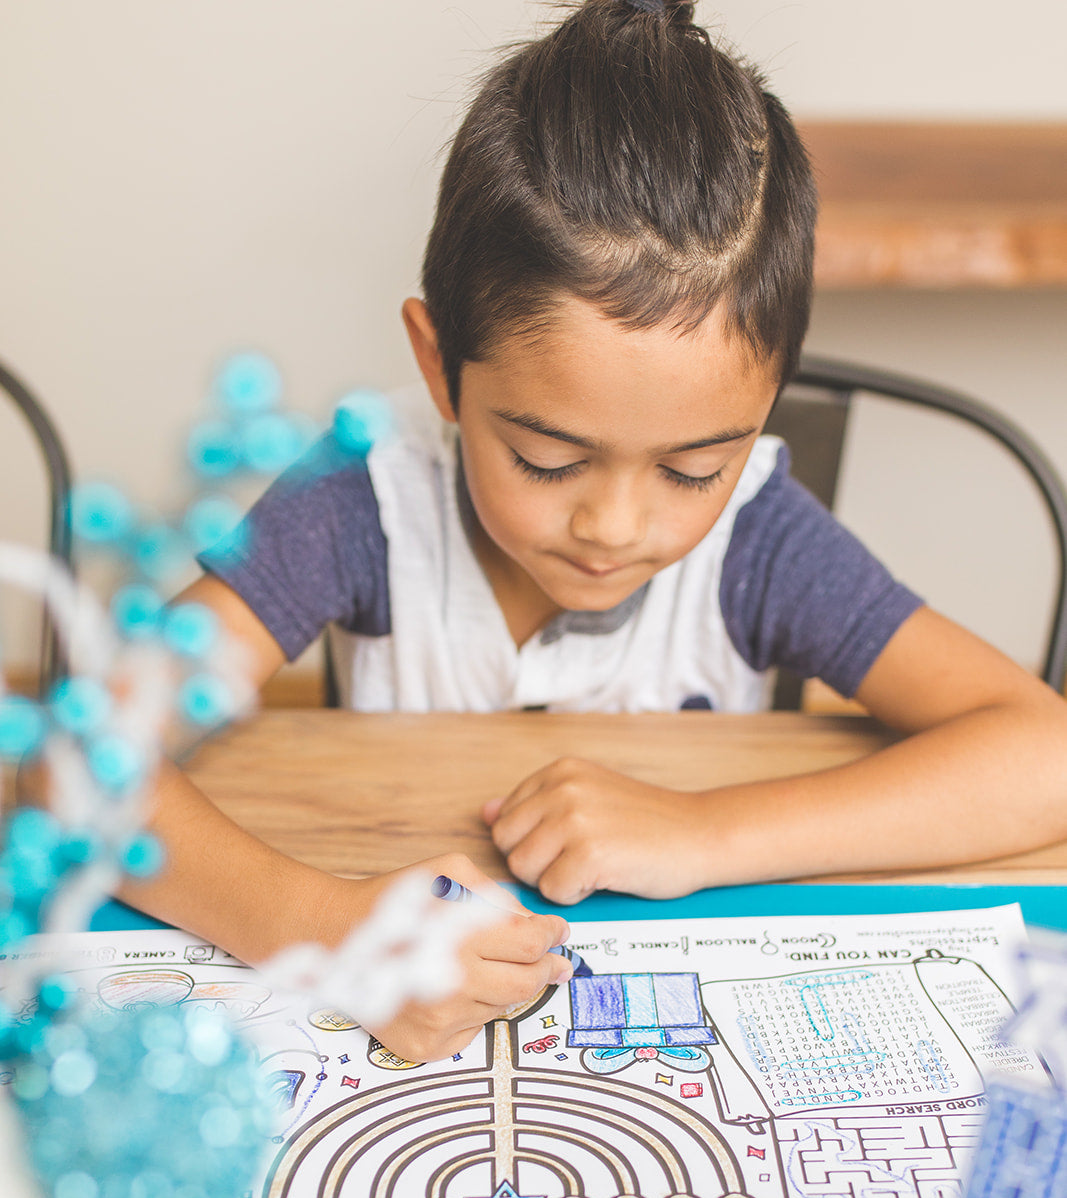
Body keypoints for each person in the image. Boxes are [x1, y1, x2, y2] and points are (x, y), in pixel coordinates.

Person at [121, 0, 1067, 1059]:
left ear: (763, 404)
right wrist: (319, 927)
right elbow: (74, 759)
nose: (614, 526)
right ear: (438, 368)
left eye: (693, 466)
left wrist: (709, 830)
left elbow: (1045, 755)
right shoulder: (360, 498)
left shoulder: (756, 542)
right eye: (547, 459)